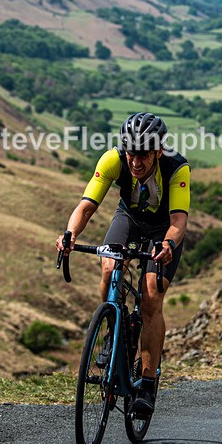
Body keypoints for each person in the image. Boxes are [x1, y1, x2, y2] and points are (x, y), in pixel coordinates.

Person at [56, 111, 190, 416]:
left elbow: (179, 220)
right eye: (131, 152)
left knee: (151, 298)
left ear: (158, 151)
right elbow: (87, 205)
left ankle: (146, 383)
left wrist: (168, 244)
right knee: (110, 265)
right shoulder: (112, 160)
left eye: (144, 154)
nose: (136, 162)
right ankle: (113, 330)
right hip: (129, 218)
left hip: (163, 229)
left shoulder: (176, 168)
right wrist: (69, 234)